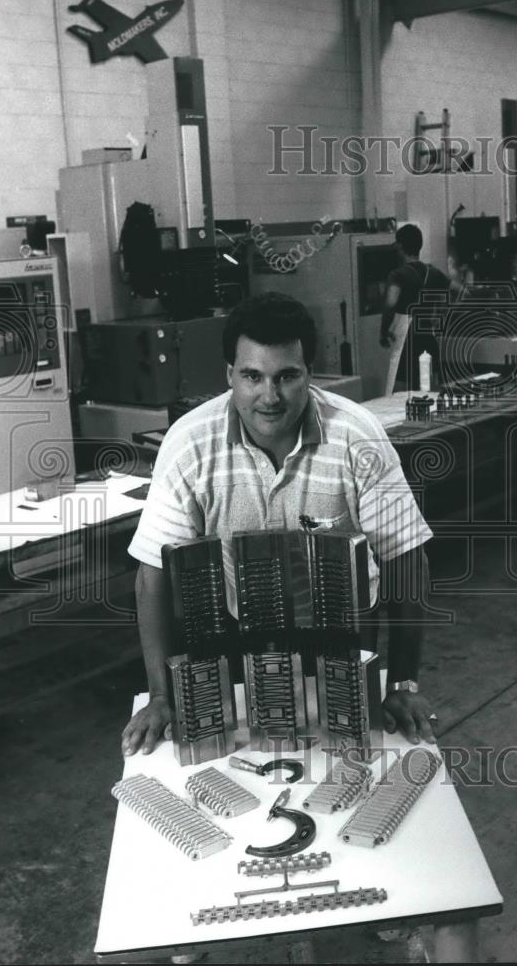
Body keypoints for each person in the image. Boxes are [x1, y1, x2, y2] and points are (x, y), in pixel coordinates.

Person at [122, 293, 438, 756]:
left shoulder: (357, 436)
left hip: (348, 634)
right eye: (252, 376)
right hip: (236, 634)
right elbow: (152, 576)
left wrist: (404, 681)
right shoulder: (190, 444)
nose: (269, 397)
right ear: (229, 375)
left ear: (311, 373)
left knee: (359, 763)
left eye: (287, 376)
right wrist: (163, 694)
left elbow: (406, 560)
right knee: (242, 757)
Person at [379, 224, 452, 395]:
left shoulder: (397, 275)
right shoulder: (433, 272)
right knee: (430, 391)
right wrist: (440, 313)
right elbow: (457, 290)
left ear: (400, 245)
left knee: (399, 394)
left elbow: (390, 304)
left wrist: (383, 331)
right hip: (428, 336)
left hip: (407, 340)